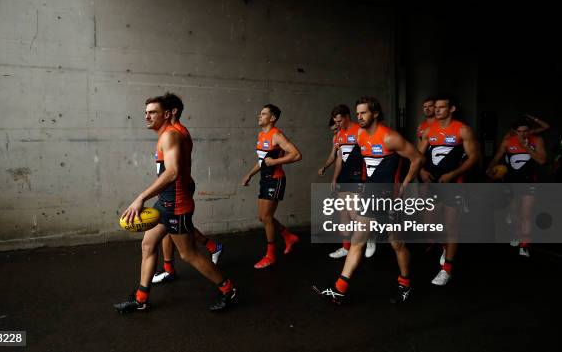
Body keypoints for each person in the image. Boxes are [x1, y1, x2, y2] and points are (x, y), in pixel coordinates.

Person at [113, 96, 237, 313]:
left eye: (153, 112)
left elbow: (172, 172)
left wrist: (141, 197)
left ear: (167, 114)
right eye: (146, 112)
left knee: (189, 254)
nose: (147, 116)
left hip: (176, 206)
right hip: (165, 202)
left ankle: (229, 290)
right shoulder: (169, 134)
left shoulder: (170, 135)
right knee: (148, 245)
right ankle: (141, 299)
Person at [313, 97, 424, 305]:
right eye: (357, 113)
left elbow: (418, 158)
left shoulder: (390, 137)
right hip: (372, 194)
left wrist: (405, 186)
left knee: (397, 243)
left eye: (363, 113)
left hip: (389, 197)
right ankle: (339, 289)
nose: (359, 117)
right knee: (357, 241)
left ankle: (406, 284)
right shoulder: (361, 135)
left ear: (375, 113)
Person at [151, 93, 224, 285]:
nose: (153, 115)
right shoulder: (170, 132)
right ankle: (170, 269)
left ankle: (225, 284)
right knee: (172, 230)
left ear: (171, 112)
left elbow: (175, 170)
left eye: (160, 111)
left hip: (178, 190)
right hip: (172, 190)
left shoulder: (176, 132)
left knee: (181, 238)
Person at [418, 94, 480, 286]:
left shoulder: (462, 130)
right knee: (431, 222)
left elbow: (473, 158)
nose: (436, 110)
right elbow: (417, 155)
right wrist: (421, 171)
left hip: (454, 184)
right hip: (433, 183)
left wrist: (453, 174)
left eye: (441, 107)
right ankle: (445, 246)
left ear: (452, 109)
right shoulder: (429, 130)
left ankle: (447, 270)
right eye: (435, 107)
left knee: (451, 225)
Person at [241, 104, 302, 269]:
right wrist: (249, 174)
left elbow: (296, 154)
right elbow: (262, 160)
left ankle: (270, 255)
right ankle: (287, 235)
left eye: (263, 114)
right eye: (260, 113)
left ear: (272, 118)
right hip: (265, 178)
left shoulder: (277, 135)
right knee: (263, 217)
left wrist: (275, 161)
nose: (259, 116)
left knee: (266, 217)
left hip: (276, 179)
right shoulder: (261, 135)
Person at [487, 116, 547, 257]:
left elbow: (542, 160)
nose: (523, 134)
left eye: (526, 131)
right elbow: (496, 159)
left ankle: (524, 244)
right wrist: (490, 169)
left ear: (529, 131)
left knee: (526, 213)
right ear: (515, 131)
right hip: (511, 182)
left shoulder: (537, 140)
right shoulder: (508, 142)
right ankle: (516, 233)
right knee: (514, 212)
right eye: (519, 131)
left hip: (528, 182)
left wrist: (526, 147)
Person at [328, 104, 376, 259]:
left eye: (340, 121)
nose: (338, 124)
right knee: (343, 212)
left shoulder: (360, 131)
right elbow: (340, 158)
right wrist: (335, 178)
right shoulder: (339, 134)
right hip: (344, 176)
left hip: (358, 175)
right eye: (335, 122)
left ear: (347, 117)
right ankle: (346, 248)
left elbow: (369, 153)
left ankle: (369, 236)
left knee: (354, 213)